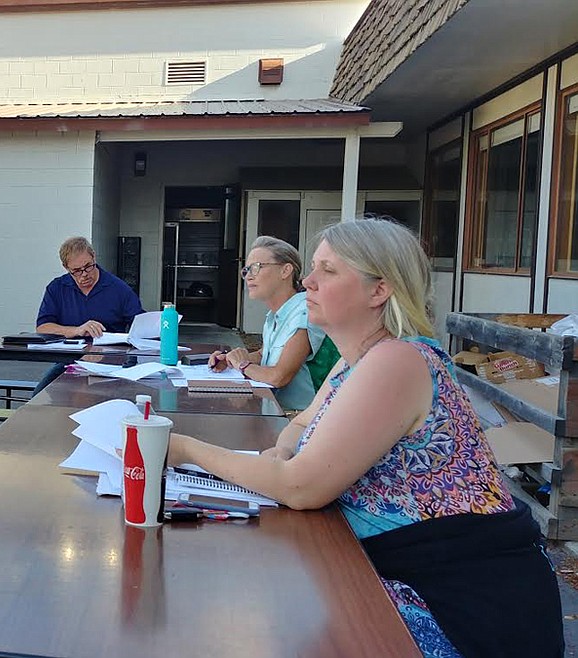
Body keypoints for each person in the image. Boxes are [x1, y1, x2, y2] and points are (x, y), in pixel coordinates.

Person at [167, 219, 563, 657]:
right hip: (402, 571)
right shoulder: (361, 356)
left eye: (328, 271)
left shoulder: (398, 359)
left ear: (379, 291)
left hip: (462, 604)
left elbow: (301, 487)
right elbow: (299, 426)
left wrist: (184, 448)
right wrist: (280, 451)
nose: (308, 280)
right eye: (312, 268)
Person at [207, 236, 334, 411]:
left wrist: (242, 365)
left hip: (299, 419)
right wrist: (232, 358)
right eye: (247, 270)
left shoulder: (304, 311)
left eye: (257, 267)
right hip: (274, 412)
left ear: (285, 271)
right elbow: (267, 353)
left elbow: (279, 376)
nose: (249, 276)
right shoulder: (275, 315)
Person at [32, 236, 143, 395]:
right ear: (66, 267)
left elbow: (140, 325)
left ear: (94, 257)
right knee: (38, 400)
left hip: (110, 363)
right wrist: (76, 330)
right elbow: (43, 327)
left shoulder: (118, 288)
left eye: (88, 267)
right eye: (76, 271)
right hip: (70, 361)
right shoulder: (57, 288)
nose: (84, 274)